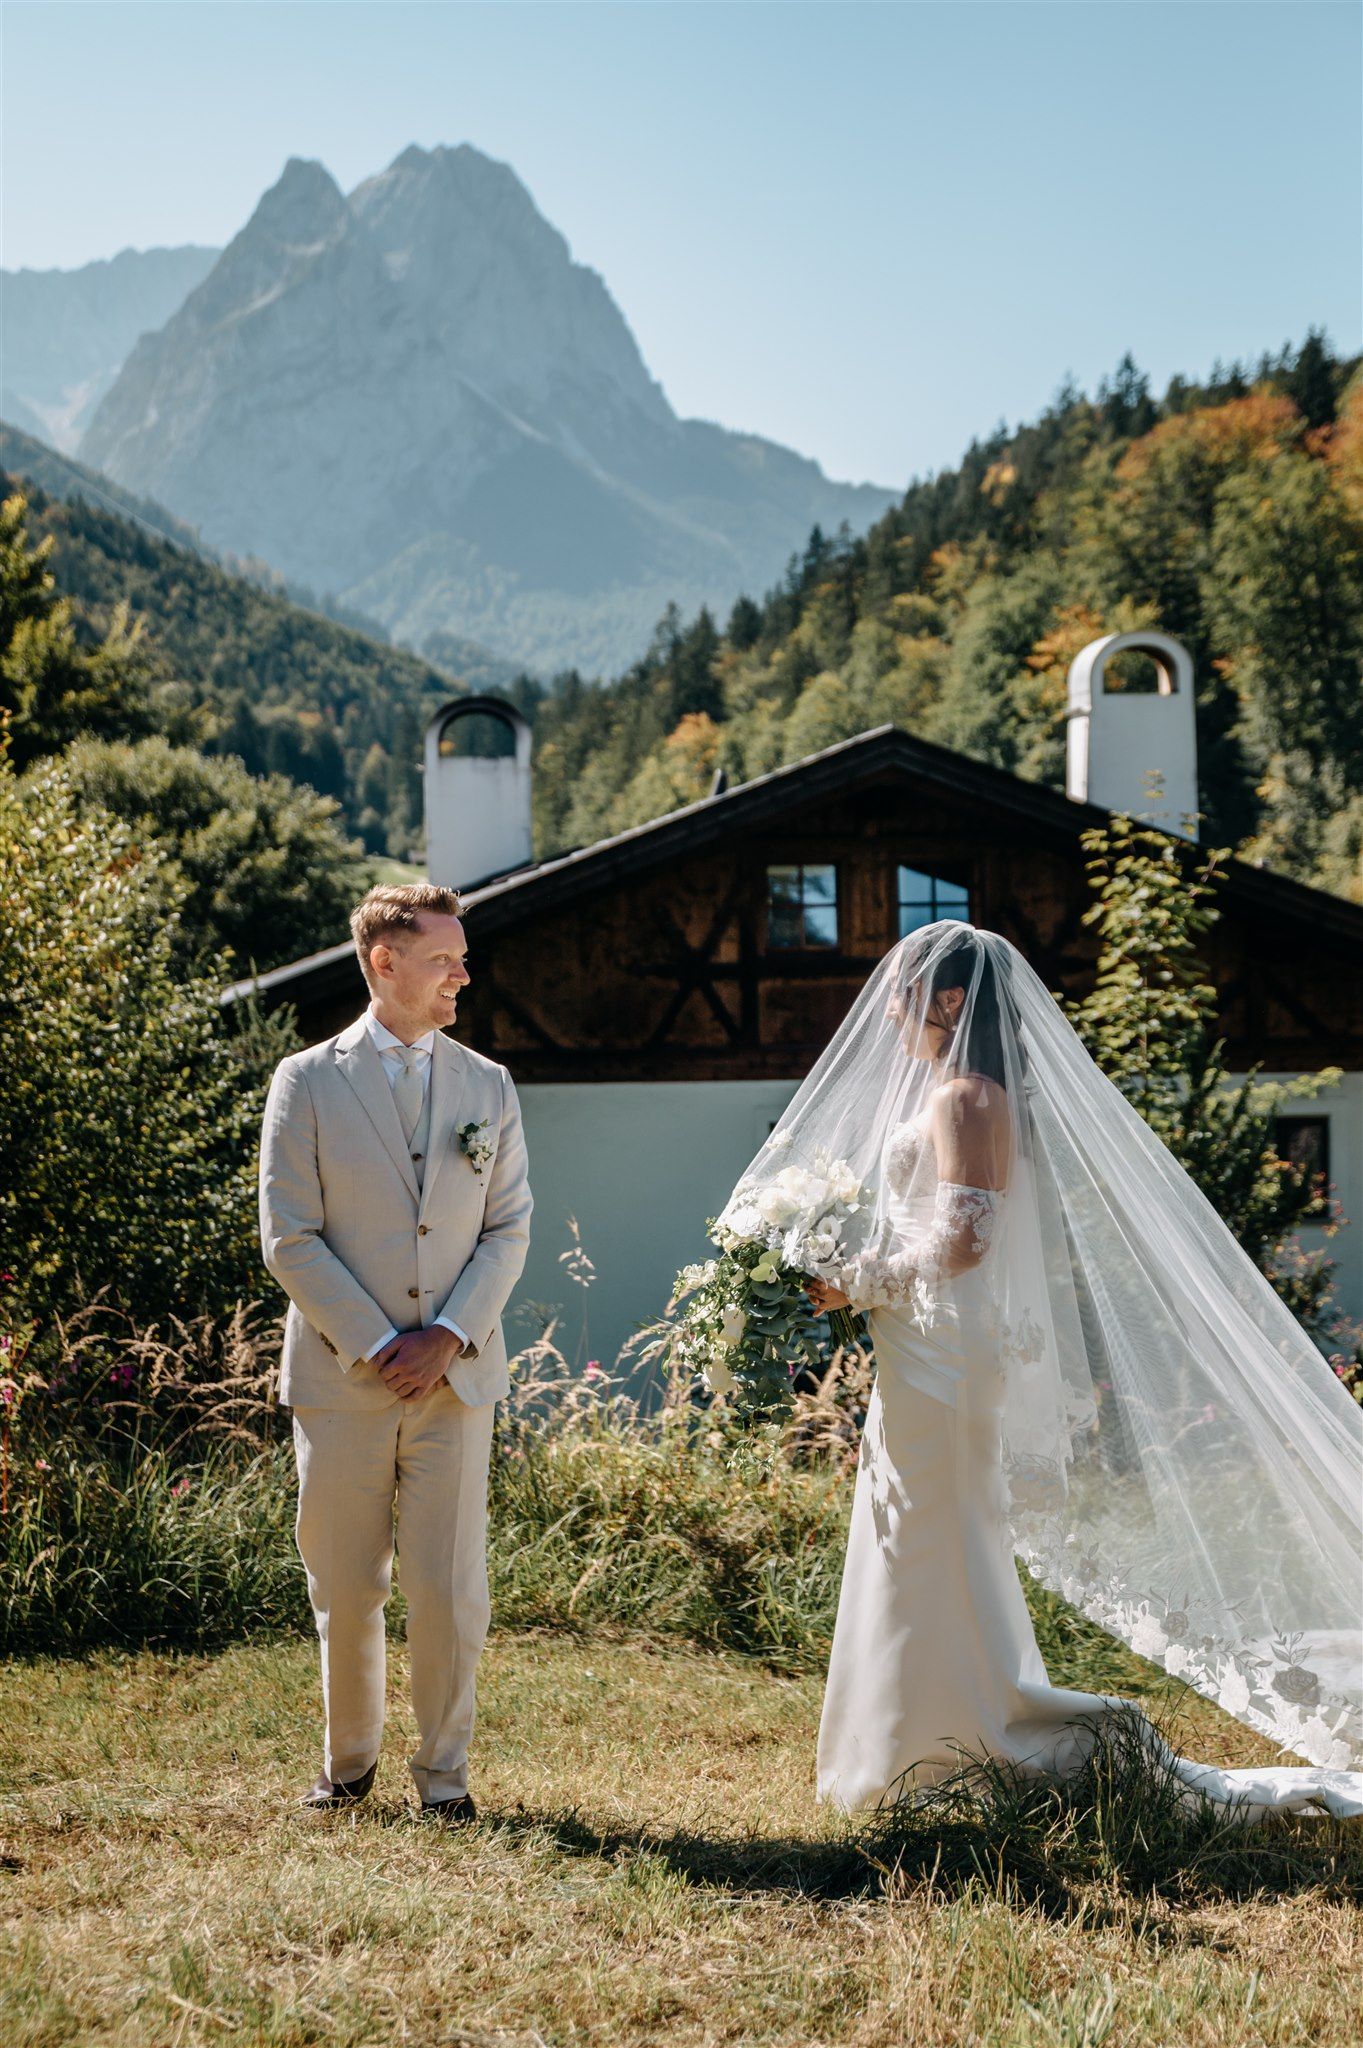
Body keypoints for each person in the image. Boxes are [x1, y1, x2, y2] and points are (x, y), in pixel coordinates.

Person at [725, 921, 1363, 1819]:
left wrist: (850, 1282)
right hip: (927, 1345)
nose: (891, 1015)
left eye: (904, 996)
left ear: (950, 1003)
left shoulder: (967, 1098)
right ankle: (917, 1741)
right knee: (920, 1539)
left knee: (934, 1538)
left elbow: (962, 1242)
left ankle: (962, 1740)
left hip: (948, 1350)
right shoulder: (962, 1093)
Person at [258, 882, 532, 1821]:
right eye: (443, 957)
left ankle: (445, 1780)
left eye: (461, 956)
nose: (463, 972)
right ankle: (347, 1766)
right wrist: (381, 1345)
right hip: (343, 1380)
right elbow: (288, 1236)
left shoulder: (488, 1085)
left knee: (451, 1588)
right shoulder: (307, 1080)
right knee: (344, 1581)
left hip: (456, 1382)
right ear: (385, 962)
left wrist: (447, 1335)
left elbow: (509, 1228)